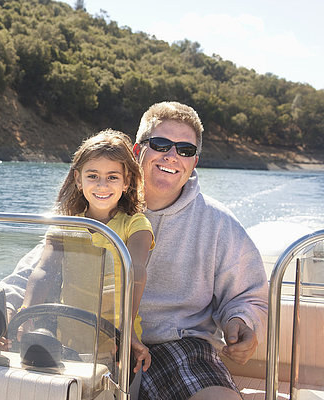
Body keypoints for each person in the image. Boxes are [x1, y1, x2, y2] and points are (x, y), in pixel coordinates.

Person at [131, 101, 268, 400]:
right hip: (101, 338)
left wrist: (241, 321)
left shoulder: (218, 222)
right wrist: (8, 305)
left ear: (194, 162)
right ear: (137, 150)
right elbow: (43, 267)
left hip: (182, 345)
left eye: (185, 150)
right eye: (160, 144)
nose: (172, 156)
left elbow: (246, 294)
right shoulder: (100, 206)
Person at [19, 130, 155, 374]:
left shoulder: (136, 225)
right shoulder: (65, 225)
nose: (102, 185)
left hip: (116, 343)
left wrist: (127, 333)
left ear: (127, 182)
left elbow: (136, 272)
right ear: (78, 179)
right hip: (67, 340)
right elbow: (44, 270)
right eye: (93, 176)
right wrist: (25, 314)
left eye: (112, 177)